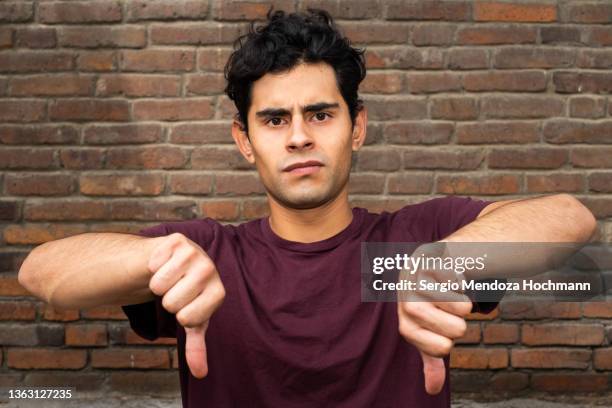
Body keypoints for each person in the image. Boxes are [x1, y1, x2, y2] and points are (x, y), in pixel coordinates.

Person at [18, 8, 597, 408]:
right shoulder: (208, 255)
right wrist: (149, 260)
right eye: (274, 119)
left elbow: (571, 218)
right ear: (244, 140)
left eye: (320, 114)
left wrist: (452, 257)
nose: (298, 137)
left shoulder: (408, 242)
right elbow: (40, 273)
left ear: (357, 127)